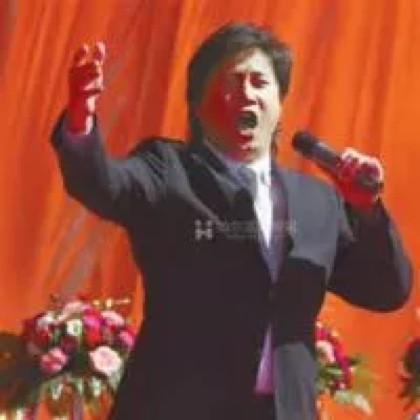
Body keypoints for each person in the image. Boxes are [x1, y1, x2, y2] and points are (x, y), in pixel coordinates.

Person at [51, 22, 412, 420]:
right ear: (197, 104)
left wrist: (367, 210)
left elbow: (386, 290)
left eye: (260, 82)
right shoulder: (169, 171)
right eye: (231, 82)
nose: (247, 94)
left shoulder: (317, 202)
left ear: (279, 104)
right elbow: (103, 182)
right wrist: (81, 120)